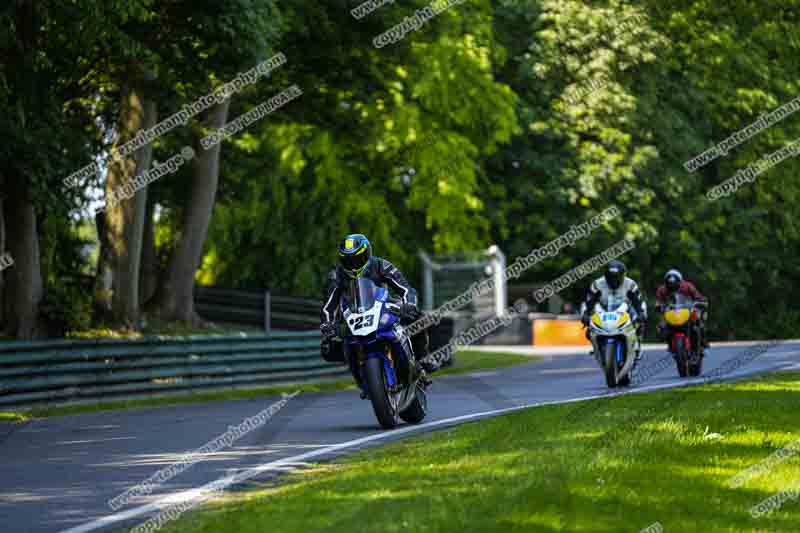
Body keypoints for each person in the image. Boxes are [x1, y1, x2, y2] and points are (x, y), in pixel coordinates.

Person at [320, 234, 436, 386]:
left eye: (357, 259)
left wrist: (409, 304)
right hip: (352, 315)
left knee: (417, 316)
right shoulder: (336, 276)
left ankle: (423, 358)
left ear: (368, 253)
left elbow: (406, 288)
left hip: (382, 308)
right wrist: (327, 325)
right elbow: (329, 305)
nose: (353, 265)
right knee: (328, 347)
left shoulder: (381, 265)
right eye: (348, 261)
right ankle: (360, 372)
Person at [580, 260, 648, 364]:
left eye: (616, 277)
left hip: (626, 310)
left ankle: (637, 345)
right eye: (610, 277)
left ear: (623, 275)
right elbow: (589, 301)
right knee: (589, 331)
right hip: (604, 311)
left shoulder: (630, 284)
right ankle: (597, 347)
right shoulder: (597, 284)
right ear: (605, 276)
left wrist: (641, 313)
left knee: (639, 322)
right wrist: (585, 314)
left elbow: (637, 301)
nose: (613, 280)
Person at [655, 269, 709, 352]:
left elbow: (697, 296)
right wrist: (659, 306)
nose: (672, 287)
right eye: (670, 285)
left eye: (674, 284)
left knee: (698, 322)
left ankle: (702, 342)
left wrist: (701, 301)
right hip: (671, 312)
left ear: (680, 282)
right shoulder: (662, 290)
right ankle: (670, 344)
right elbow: (658, 301)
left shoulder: (687, 286)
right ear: (666, 283)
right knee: (662, 326)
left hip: (687, 310)